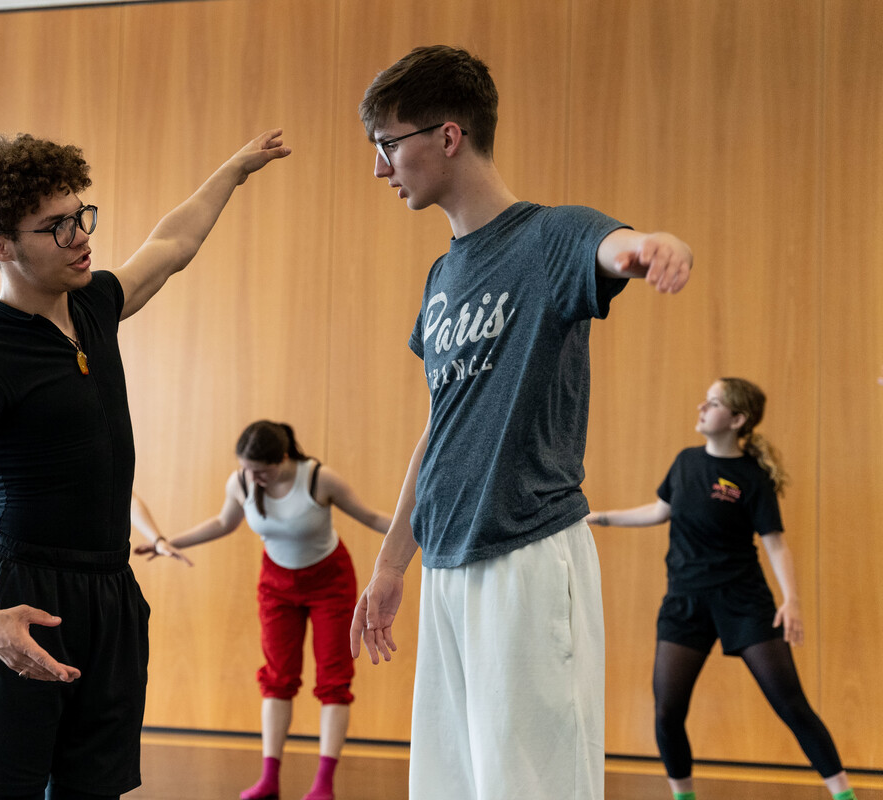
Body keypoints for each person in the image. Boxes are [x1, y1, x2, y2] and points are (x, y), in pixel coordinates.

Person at [347, 45, 693, 800]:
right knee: (450, 784)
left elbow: (613, 247)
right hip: (444, 563)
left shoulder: (549, 237)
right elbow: (439, 430)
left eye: (388, 144)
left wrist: (650, 246)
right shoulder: (442, 277)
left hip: (526, 558)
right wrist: (391, 564)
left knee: (531, 785)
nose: (379, 168)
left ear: (446, 136)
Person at [0, 129, 289, 800]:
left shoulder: (94, 307)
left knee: (94, 789)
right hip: (20, 592)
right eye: (55, 227)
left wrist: (233, 170)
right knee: (10, 789)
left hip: (108, 593)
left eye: (82, 215)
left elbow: (170, 246)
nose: (81, 235)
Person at [587, 378, 858, 800]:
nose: (701, 406)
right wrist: (599, 518)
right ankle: (683, 795)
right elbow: (660, 511)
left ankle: (843, 793)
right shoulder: (685, 463)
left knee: (790, 703)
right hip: (685, 602)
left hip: (743, 601)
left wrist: (792, 600)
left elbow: (776, 543)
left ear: (736, 419)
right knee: (668, 710)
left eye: (713, 403)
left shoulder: (752, 479)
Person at [137, 420, 390, 800]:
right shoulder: (241, 481)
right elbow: (223, 522)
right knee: (277, 678)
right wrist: (168, 542)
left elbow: (370, 517)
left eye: (261, 471)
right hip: (276, 586)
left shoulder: (319, 478)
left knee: (334, 680)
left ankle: (324, 784)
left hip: (330, 583)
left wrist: (421, 531)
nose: (252, 478)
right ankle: (269, 779)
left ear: (283, 458)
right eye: (247, 469)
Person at [0, 474, 191, 566]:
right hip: (25, 563)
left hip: (83, 567)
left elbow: (126, 497)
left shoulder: (89, 456)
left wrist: (158, 539)